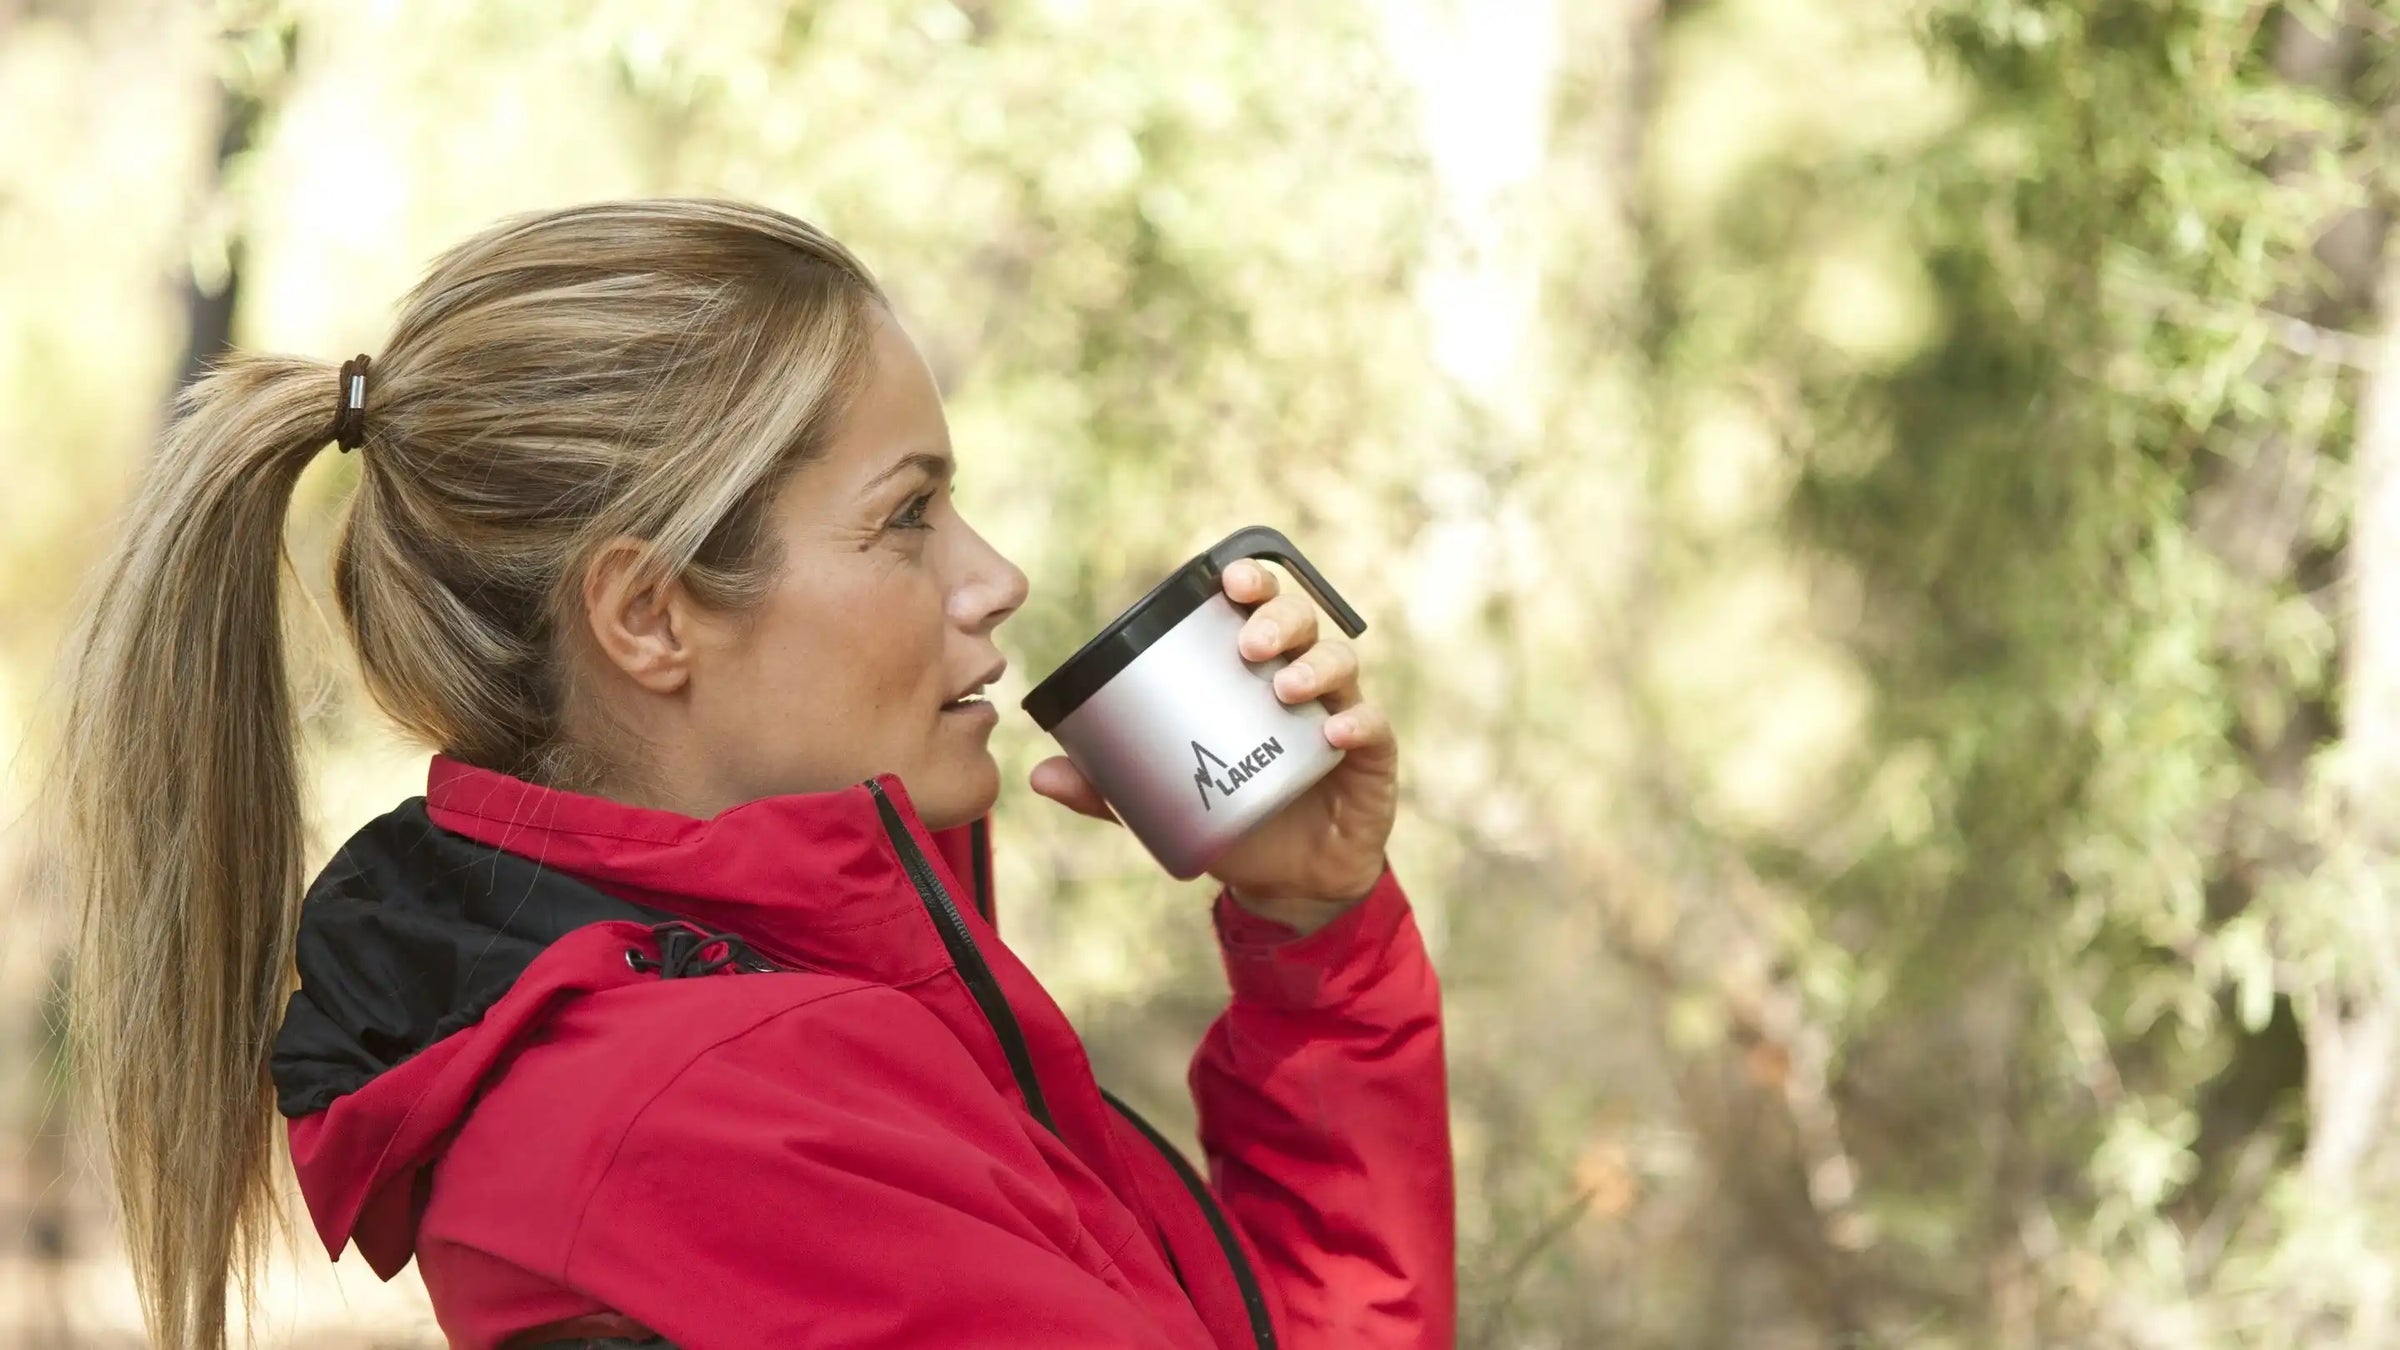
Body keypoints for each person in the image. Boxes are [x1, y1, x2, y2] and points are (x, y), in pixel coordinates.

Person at [54, 199, 1452, 1350]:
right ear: (649, 615)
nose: (996, 581)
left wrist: (1313, 934)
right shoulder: (726, 1118)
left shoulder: (766, 1024)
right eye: (907, 515)